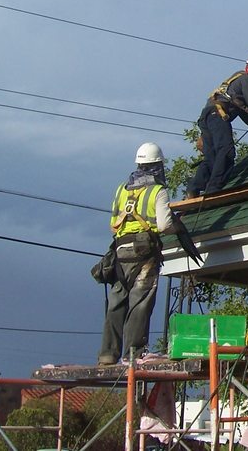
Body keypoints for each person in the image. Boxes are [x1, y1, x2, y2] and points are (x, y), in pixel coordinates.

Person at [98, 142, 175, 365]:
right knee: (140, 302)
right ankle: (134, 352)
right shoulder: (158, 191)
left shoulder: (122, 189)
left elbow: (113, 224)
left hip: (120, 253)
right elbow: (163, 226)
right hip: (145, 254)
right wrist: (176, 226)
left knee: (117, 301)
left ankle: (107, 353)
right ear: (157, 165)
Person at [187, 54, 248, 198]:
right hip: (218, 115)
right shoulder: (245, 79)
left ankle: (193, 188)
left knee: (212, 157)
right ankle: (214, 189)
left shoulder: (235, 86)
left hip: (207, 117)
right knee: (227, 151)